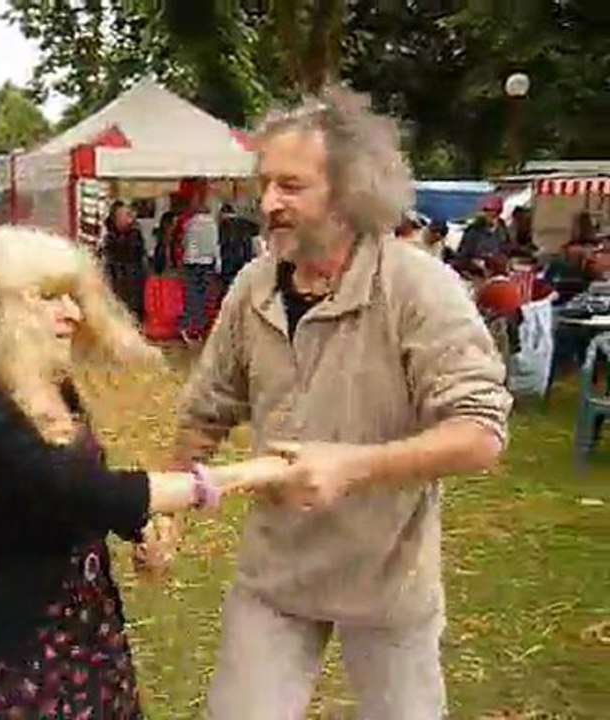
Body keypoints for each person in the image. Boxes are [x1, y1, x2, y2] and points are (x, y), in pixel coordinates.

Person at [163, 86, 512, 719]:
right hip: (277, 574)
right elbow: (207, 407)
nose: (268, 203)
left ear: (350, 191)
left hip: (386, 579)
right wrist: (167, 509)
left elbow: (480, 433)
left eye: (291, 186)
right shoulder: (253, 285)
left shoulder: (418, 286)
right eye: (264, 183)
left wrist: (351, 466)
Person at [0, 226, 299, 719]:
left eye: (73, 297)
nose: (72, 313)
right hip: (5, 666)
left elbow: (69, 496)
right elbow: (79, 491)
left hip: (83, 645)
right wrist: (245, 474)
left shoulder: (53, 392)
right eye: (49, 298)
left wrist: (140, 529)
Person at [178, 181, 221, 343]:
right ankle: (200, 328)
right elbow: (215, 246)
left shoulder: (190, 223)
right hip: (207, 263)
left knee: (191, 297)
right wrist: (218, 263)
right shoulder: (212, 224)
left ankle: (189, 327)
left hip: (191, 262)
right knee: (204, 298)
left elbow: (185, 243)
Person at [102, 201, 147, 321]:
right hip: (116, 275)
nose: (126, 218)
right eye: (122, 215)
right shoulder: (111, 234)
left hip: (131, 275)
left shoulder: (134, 233)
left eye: (127, 215)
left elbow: (133, 252)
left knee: (132, 306)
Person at [457, 195, 510, 261]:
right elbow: (463, 253)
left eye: (492, 210)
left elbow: (507, 249)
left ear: (499, 212)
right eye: (486, 210)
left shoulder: (503, 229)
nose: (488, 214)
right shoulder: (474, 230)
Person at [218, 203, 259, 289]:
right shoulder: (245, 222)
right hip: (244, 256)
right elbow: (256, 232)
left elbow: (221, 242)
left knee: (229, 285)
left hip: (229, 258)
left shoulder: (224, 224)